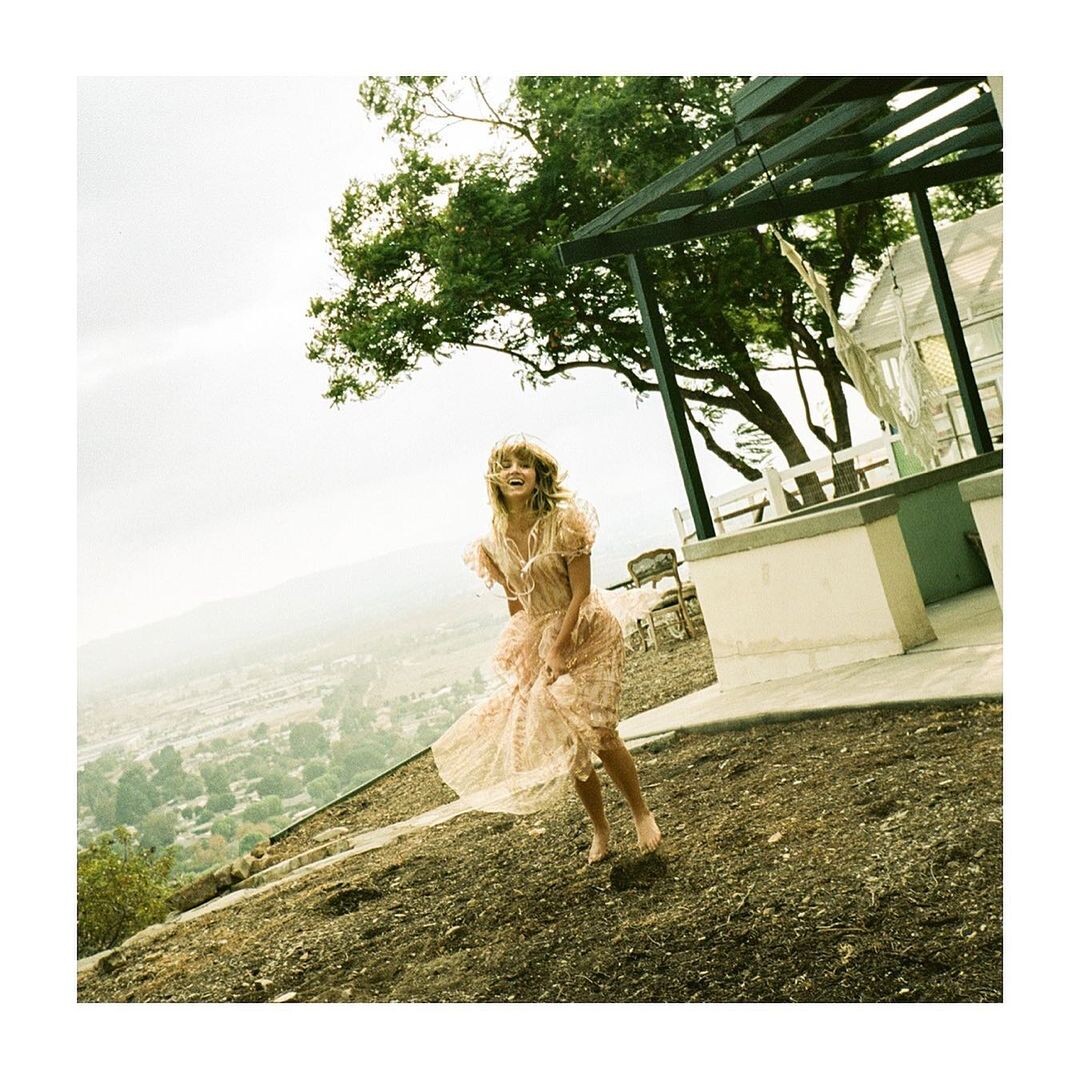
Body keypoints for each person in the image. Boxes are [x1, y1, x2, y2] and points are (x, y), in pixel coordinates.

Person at [431, 436, 662, 864]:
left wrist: (559, 647)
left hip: (587, 629)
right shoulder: (492, 542)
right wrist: (525, 652)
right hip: (540, 637)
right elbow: (517, 602)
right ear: (495, 480)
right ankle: (600, 828)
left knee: (598, 730)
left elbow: (581, 592)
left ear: (538, 475)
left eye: (524, 464)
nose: (514, 470)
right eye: (505, 465)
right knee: (569, 741)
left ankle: (641, 813)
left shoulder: (565, 523)